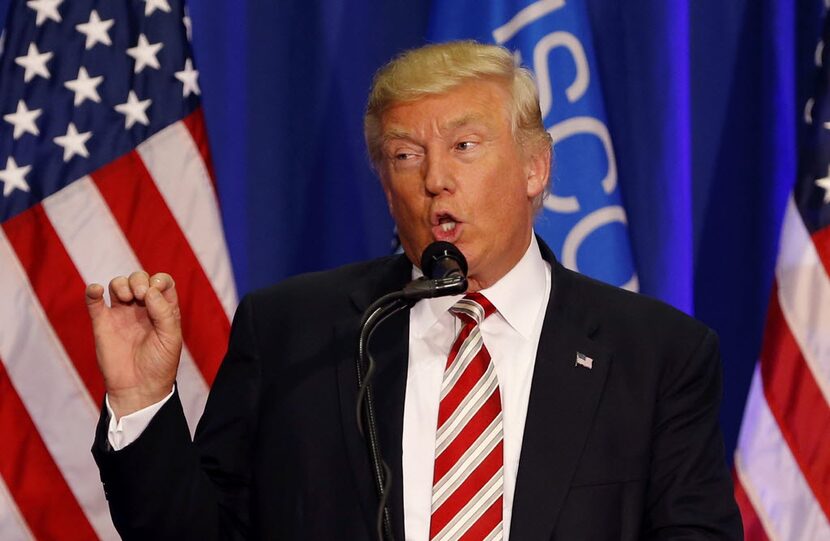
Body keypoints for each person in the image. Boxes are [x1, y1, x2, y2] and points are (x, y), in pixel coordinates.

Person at [87, 41, 743, 540]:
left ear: (535, 166)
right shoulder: (293, 331)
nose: (435, 179)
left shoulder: (657, 356)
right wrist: (142, 400)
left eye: (464, 145)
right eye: (405, 155)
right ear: (383, 177)